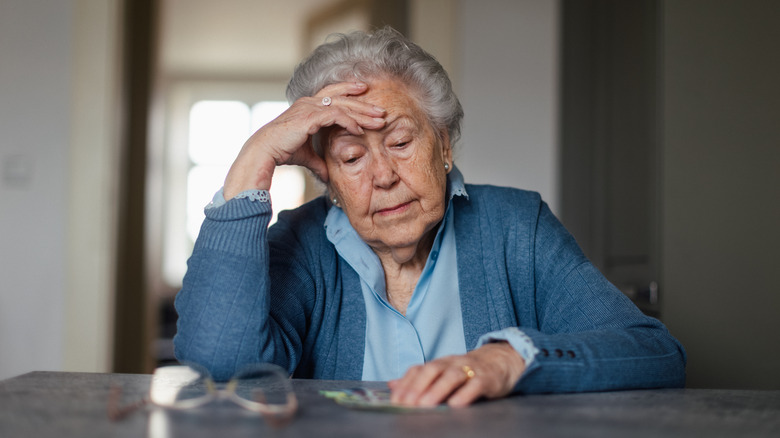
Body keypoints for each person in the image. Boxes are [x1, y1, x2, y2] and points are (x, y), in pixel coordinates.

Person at [174, 27, 686, 408]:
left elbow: (653, 352)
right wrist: (252, 163)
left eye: (400, 142)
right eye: (351, 157)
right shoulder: (301, 243)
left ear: (443, 144)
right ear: (328, 176)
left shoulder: (516, 227)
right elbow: (220, 362)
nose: (383, 176)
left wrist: (509, 359)